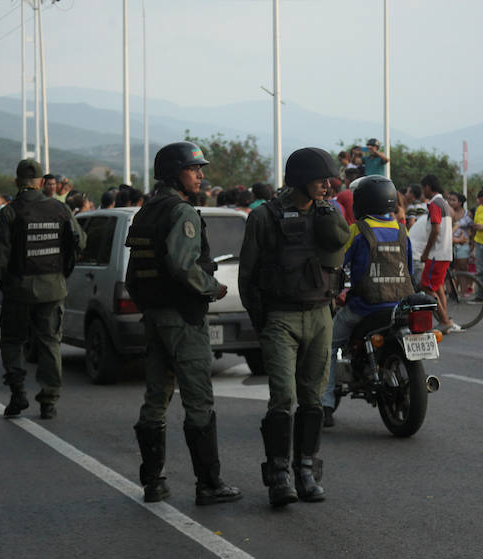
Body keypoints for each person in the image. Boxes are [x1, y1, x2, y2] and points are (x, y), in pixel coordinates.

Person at [123, 142, 241, 506]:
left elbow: (133, 275)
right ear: (175, 174)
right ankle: (209, 484)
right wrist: (213, 287)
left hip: (155, 316)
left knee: (156, 398)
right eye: (193, 169)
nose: (200, 175)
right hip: (183, 317)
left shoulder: (146, 211)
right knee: (198, 398)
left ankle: (153, 482)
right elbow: (182, 265)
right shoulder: (182, 212)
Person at [239, 147, 349, 506]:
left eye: (329, 180)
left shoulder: (326, 213)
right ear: (300, 179)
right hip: (280, 316)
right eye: (320, 180)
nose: (327, 186)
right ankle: (279, 475)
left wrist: (329, 214)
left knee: (313, 398)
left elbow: (340, 245)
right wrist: (263, 321)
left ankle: (305, 471)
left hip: (320, 314)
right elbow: (247, 277)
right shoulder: (265, 217)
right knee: (283, 397)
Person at [0, 159, 86, 419]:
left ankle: (18, 394)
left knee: (12, 341)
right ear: (41, 183)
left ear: (16, 182)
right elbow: (80, 241)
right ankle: (49, 401)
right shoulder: (61, 209)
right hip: (53, 288)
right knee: (50, 343)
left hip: (18, 289)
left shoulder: (9, 212)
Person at [320, 176, 414, 427]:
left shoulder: (357, 230)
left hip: (365, 307)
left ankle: (325, 404)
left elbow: (338, 264)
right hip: (399, 306)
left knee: (328, 346)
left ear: (361, 202)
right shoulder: (402, 230)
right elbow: (410, 270)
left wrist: (335, 289)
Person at [418, 174, 460, 332]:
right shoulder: (444, 204)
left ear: (428, 187)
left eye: (423, 188)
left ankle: (444, 320)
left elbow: (435, 230)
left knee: (426, 286)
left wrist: (425, 252)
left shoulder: (435, 204)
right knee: (438, 287)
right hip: (445, 253)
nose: (423, 192)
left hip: (436, 254)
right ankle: (445, 319)